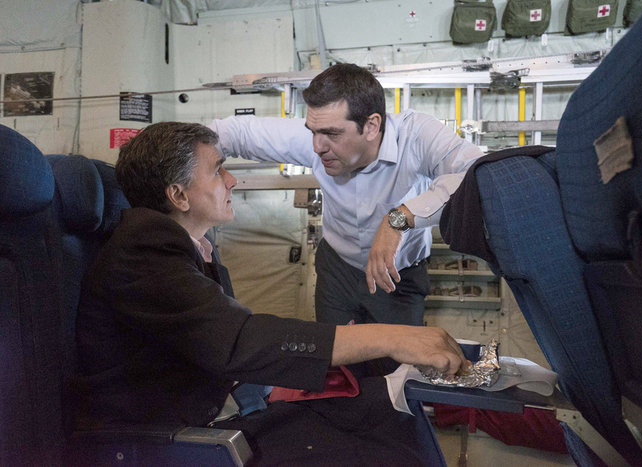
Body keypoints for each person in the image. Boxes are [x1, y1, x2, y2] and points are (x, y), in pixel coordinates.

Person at [74, 121, 470, 465]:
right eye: (217, 170)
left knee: (386, 414)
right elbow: (238, 341)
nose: (231, 180)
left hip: (212, 407)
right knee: (381, 448)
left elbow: (221, 336)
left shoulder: (188, 246)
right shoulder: (143, 253)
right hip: (173, 436)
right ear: (179, 196)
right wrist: (391, 337)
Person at [210, 63, 483, 327]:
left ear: (371, 126)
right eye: (313, 132)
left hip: (397, 279)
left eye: (332, 134)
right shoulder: (320, 137)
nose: (317, 147)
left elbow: (477, 175)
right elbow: (233, 134)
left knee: (397, 358)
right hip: (336, 270)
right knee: (336, 355)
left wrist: (398, 219)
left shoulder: (416, 136)